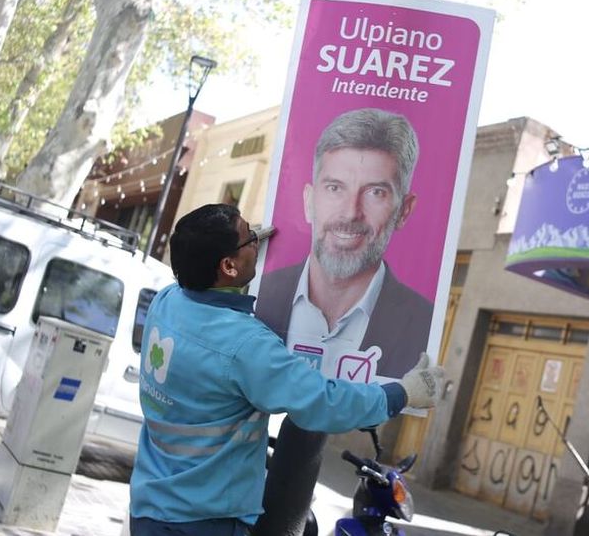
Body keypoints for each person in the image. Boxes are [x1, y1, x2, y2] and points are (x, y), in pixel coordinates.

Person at [129, 203, 444, 536]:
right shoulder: (244, 345)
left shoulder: (167, 302)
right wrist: (402, 393)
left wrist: (243, 249)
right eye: (249, 237)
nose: (257, 239)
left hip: (151, 505)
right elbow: (323, 402)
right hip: (202, 522)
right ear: (228, 265)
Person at [257, 108, 433, 379]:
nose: (351, 212)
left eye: (376, 192)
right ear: (308, 201)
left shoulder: (424, 324)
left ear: (404, 211)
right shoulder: (257, 294)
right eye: (335, 188)